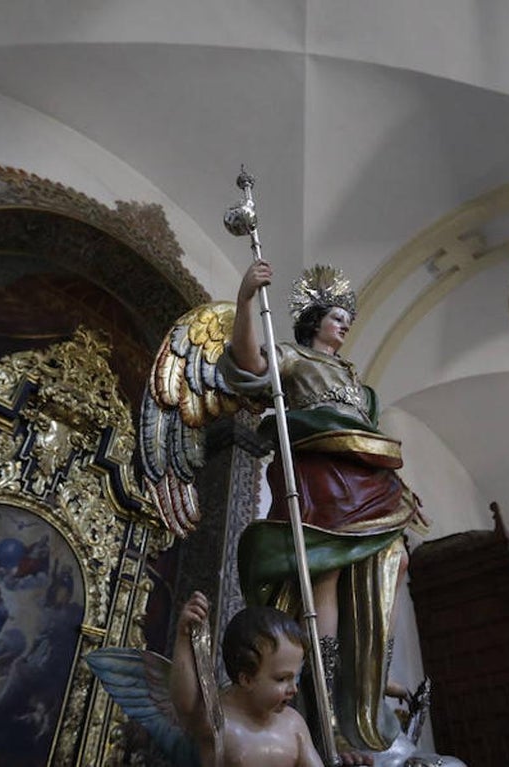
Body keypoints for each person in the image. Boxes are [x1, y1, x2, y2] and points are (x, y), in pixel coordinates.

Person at [218, 261, 429, 763]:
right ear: (315, 320)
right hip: (322, 479)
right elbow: (248, 366)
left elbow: (371, 437)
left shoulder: (359, 383)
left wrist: (401, 487)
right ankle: (326, 692)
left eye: (346, 320)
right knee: (326, 574)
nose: (344, 326)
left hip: (368, 479)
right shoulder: (292, 356)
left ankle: (370, 672)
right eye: (337, 317)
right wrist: (247, 297)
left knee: (395, 562)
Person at [170, 591, 324, 767]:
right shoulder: (216, 723)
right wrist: (184, 636)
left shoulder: (294, 724)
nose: (294, 689)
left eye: (295, 677)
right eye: (281, 679)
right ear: (247, 679)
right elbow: (186, 704)